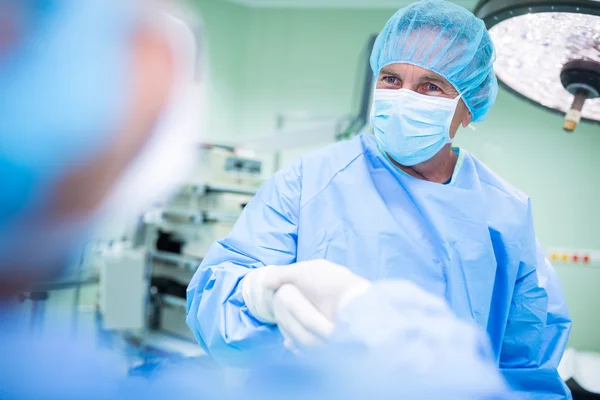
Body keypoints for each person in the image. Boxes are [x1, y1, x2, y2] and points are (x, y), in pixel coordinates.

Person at [186, 0, 572, 398]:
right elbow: (215, 303)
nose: (404, 97)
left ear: (468, 108)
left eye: (430, 86)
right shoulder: (308, 181)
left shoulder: (504, 212)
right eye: (390, 79)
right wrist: (260, 294)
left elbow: (528, 362)